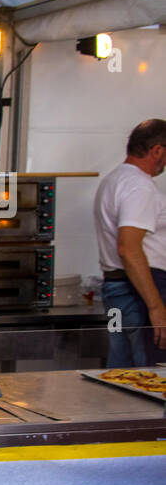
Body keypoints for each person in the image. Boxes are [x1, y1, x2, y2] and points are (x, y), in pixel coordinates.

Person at [94, 118, 166, 367]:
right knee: (149, 373)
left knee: (121, 367)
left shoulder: (113, 180)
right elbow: (128, 248)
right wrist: (156, 307)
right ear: (157, 150)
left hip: (115, 291)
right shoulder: (139, 186)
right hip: (139, 291)